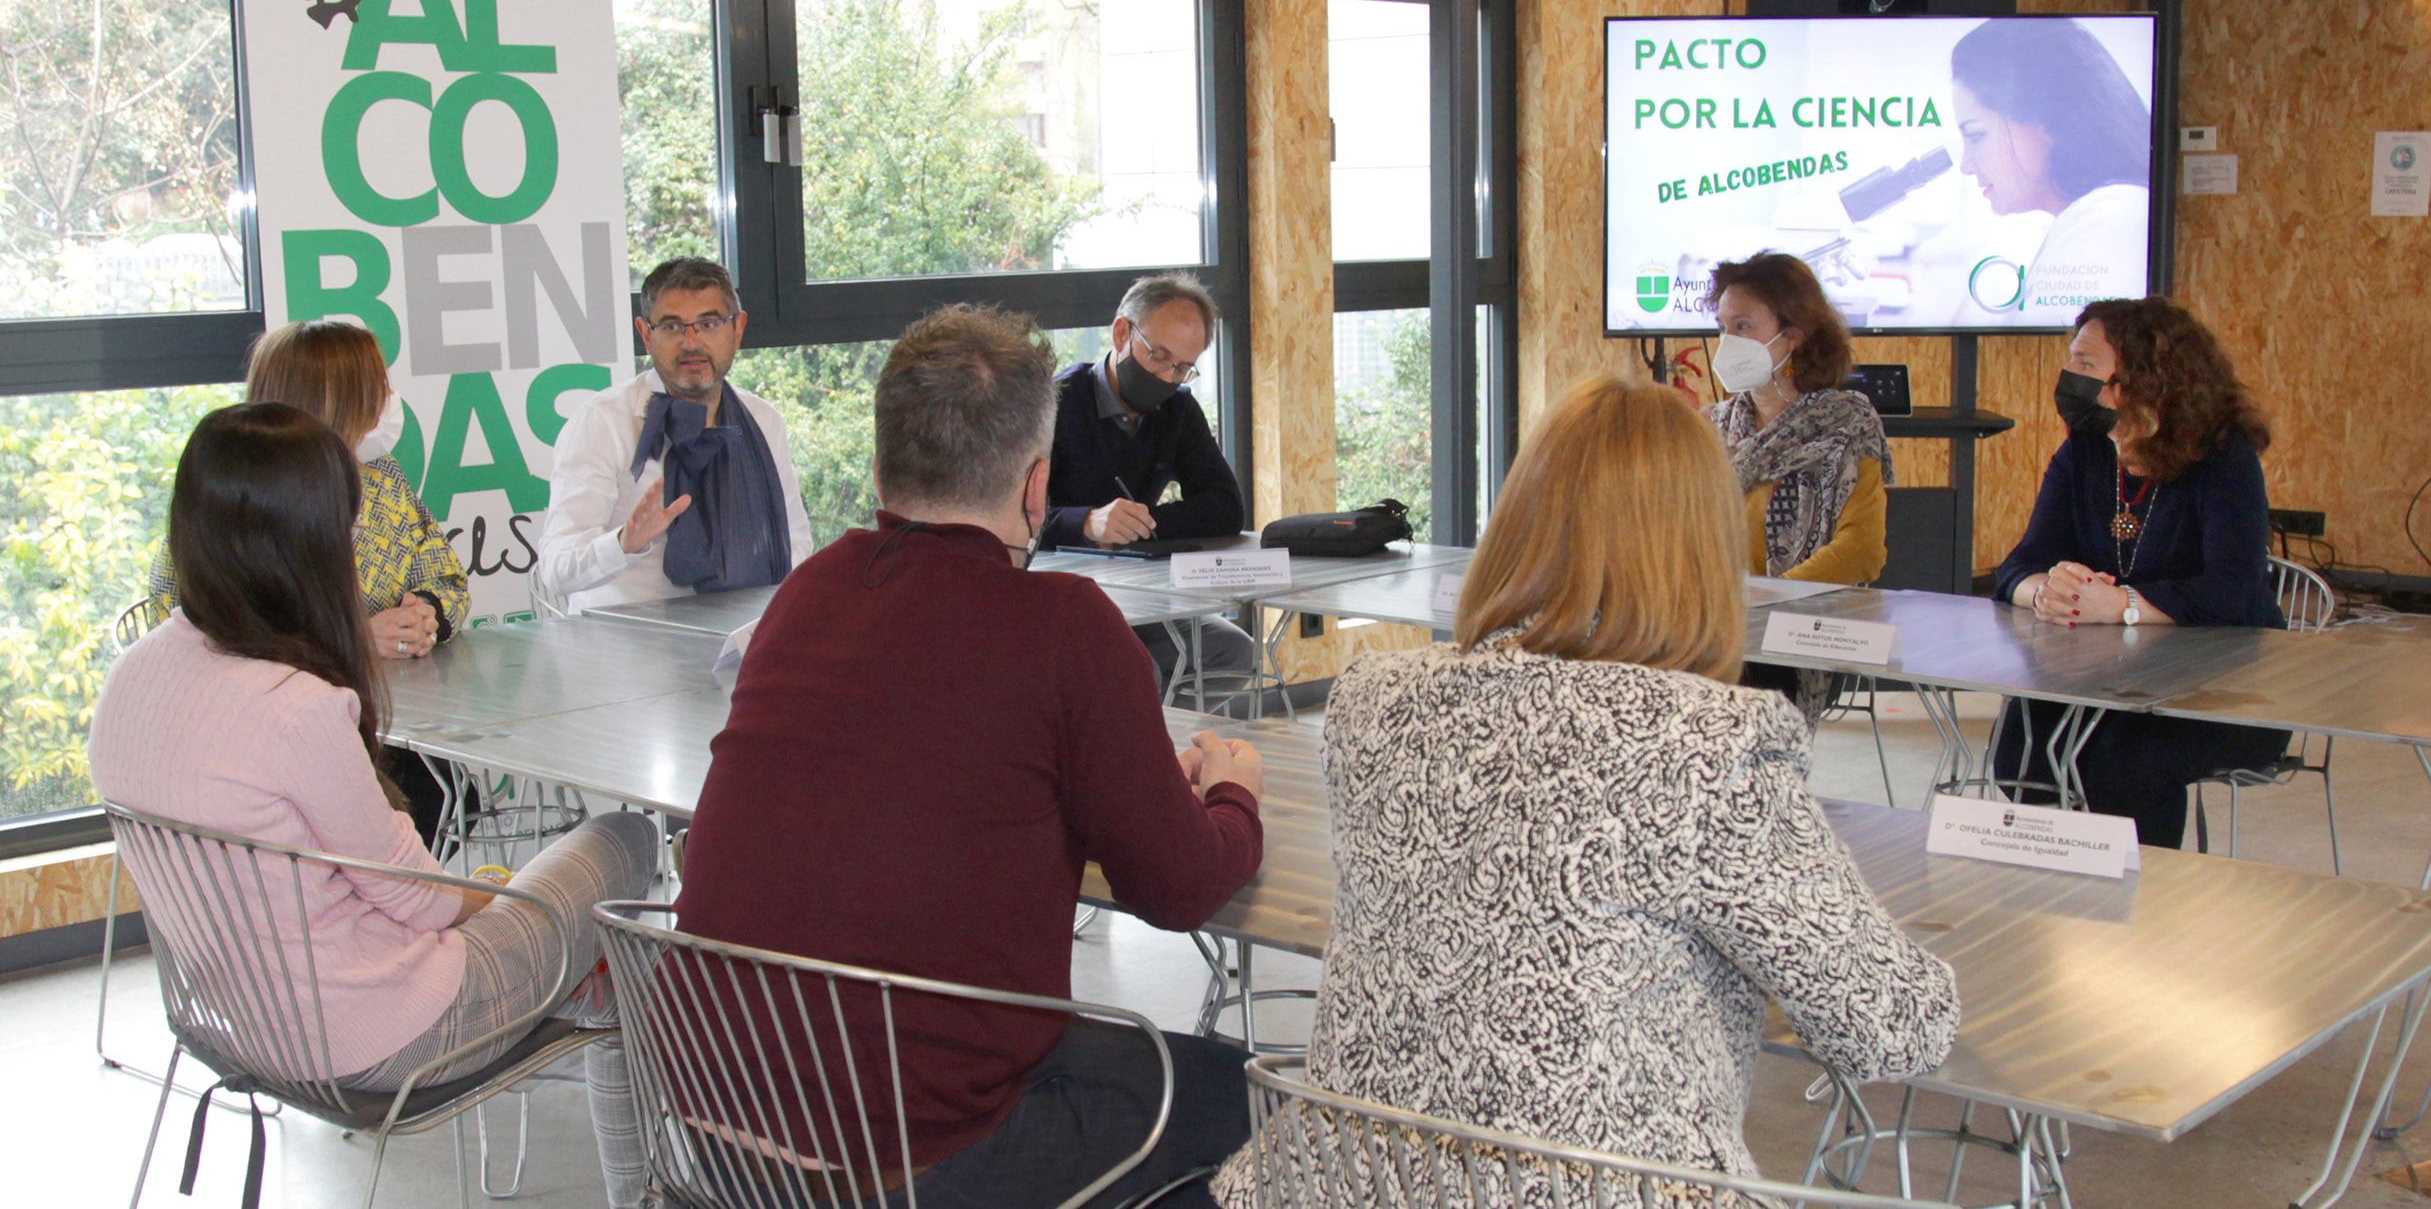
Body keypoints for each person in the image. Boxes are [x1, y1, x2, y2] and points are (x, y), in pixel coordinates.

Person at [1210, 374, 1958, 1204]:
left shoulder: (1373, 697)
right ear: (1700, 548)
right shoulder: (1708, 743)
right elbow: (1890, 1026)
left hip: (1352, 1186)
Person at [676, 303, 1265, 1207]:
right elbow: (1178, 887)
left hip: (721, 1132)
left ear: (879, 469)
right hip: (913, 1159)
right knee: (1257, 1100)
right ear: (1037, 489)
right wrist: (1231, 796)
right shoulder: (1064, 627)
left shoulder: (800, 599)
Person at [91, 403, 660, 1209]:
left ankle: (592, 1016)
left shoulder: (133, 675)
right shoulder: (295, 706)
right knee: (624, 838)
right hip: (381, 1036)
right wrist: (499, 890)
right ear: (315, 542)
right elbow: (423, 901)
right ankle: (650, 1184)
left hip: (231, 1015)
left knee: (588, 963)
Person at [147, 319, 470, 847]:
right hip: (271, 738)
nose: (390, 399)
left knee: (445, 787)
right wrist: (355, 637)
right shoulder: (234, 491)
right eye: (377, 386)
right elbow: (185, 626)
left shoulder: (384, 479)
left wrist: (428, 613)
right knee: (417, 800)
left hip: (387, 717)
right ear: (338, 398)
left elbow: (446, 575)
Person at [1992, 297, 2288, 846]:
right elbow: (2018, 565)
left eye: (2085, 363)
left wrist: (2123, 605)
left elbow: (2235, 592)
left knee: (2123, 759)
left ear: (2143, 377)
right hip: (2109, 680)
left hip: (2231, 691)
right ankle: (2057, 889)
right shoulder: (2084, 451)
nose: (2069, 377)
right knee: (2022, 745)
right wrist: (2046, 595)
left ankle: (2145, 905)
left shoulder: (2223, 456)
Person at [534, 257, 814, 615]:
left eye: (709, 323)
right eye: (671, 327)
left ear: (738, 328)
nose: (691, 343)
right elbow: (555, 569)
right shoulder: (602, 423)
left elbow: (794, 542)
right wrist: (623, 543)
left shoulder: (763, 421)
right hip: (622, 656)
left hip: (740, 639)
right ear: (645, 334)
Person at [1039, 272, 1252, 695]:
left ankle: (1171, 756)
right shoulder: (1051, 406)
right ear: (1122, 334)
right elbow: (1005, 520)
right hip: (1059, 601)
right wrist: (1087, 523)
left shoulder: (1177, 411)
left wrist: (1143, 521)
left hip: (1140, 596)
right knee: (1134, 671)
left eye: (1182, 368)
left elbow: (1225, 507)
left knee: (1232, 651)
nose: (1168, 378)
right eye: (1158, 357)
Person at [1703, 251, 1892, 715]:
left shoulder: (1846, 423)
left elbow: (1861, 550)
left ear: (1795, 334)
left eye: (1743, 327)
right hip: (1710, 626)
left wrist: (1763, 604)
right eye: (1722, 327)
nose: (1728, 342)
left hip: (1794, 631)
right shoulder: (1713, 427)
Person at [1941, 16, 2152, 322]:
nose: (1967, 166)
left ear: (2046, 121)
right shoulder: (2096, 217)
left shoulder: (2106, 220)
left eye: (1976, 135)